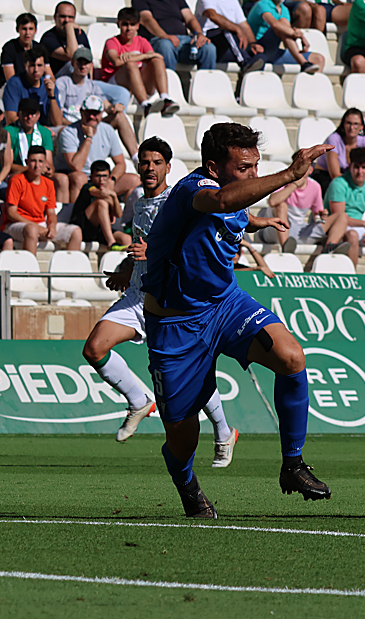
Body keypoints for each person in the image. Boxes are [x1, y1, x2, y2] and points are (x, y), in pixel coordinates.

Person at [140, 123, 332, 517]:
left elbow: (235, 210)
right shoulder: (192, 192)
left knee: (292, 357)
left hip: (225, 305)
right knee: (183, 437)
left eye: (256, 165)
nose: (253, 175)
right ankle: (187, 484)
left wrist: (262, 219)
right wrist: (290, 175)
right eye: (244, 167)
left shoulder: (237, 195)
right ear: (213, 167)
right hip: (177, 325)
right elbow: (224, 202)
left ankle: (293, 465)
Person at [82, 136, 239, 465]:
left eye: (156, 162)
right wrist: (128, 267)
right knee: (94, 347)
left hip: (170, 300)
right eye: (144, 162)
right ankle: (138, 400)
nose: (149, 168)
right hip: (138, 295)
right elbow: (141, 245)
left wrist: (151, 253)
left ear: (168, 167)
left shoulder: (179, 200)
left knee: (192, 374)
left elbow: (191, 249)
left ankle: (224, 431)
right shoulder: (138, 201)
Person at [132, 0, 216, 72]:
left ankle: (205, 84)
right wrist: (165, 36)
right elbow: (147, 20)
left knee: (209, 48)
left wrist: (199, 34)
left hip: (184, 41)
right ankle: (168, 84)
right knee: (165, 45)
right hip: (157, 40)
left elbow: (189, 18)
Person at [54, 47, 137, 157]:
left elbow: (106, 106)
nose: (83, 66)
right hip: (70, 126)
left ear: (91, 65)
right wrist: (79, 126)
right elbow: (58, 117)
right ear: (73, 63)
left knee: (120, 117)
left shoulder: (93, 86)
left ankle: (136, 158)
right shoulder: (63, 83)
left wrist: (116, 107)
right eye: (80, 62)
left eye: (86, 63)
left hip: (90, 123)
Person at [58, 94, 138, 202]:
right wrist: (88, 138)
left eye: (95, 113)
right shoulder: (68, 132)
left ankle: (128, 216)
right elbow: (76, 166)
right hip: (81, 176)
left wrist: (112, 180)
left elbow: (120, 163)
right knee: (79, 177)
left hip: (100, 177)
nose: (92, 116)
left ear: (101, 114)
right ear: (81, 112)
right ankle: (75, 216)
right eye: (88, 113)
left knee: (134, 180)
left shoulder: (107, 130)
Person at [99, 7, 177, 116]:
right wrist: (140, 56)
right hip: (116, 84)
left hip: (138, 81)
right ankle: (145, 104)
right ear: (118, 24)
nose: (129, 28)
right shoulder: (112, 42)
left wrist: (133, 56)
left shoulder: (142, 41)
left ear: (137, 26)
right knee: (130, 65)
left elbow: (155, 57)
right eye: (125, 24)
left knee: (156, 61)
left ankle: (165, 99)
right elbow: (116, 62)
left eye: (132, 24)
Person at [3, 144, 82, 251]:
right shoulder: (16, 180)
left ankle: (70, 267)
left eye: (40, 161)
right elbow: (11, 213)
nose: (37, 165)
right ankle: (30, 267)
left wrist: (52, 227)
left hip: (40, 223)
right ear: (26, 162)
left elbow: (51, 212)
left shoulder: (48, 183)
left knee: (75, 232)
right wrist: (35, 226)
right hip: (17, 225)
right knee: (32, 230)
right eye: (33, 161)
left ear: (45, 164)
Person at [246, 0, 322, 72]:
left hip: (272, 51)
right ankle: (303, 63)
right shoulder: (262, 4)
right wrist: (300, 36)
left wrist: (295, 33)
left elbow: (286, 36)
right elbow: (274, 24)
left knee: (318, 59)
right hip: (256, 50)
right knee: (281, 25)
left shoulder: (284, 10)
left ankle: (310, 84)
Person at [194, 0, 265, 71]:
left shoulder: (233, 0)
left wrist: (252, 43)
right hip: (209, 41)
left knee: (260, 57)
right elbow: (212, 15)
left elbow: (243, 24)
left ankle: (244, 79)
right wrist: (237, 29)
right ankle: (244, 62)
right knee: (227, 31)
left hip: (229, 44)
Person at [5, 98, 68, 199]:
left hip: (38, 171)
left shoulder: (45, 132)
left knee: (62, 179)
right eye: (26, 114)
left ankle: (62, 213)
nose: (29, 117)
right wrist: (32, 169)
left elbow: (48, 162)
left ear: (38, 115)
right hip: (19, 172)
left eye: (33, 114)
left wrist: (49, 169)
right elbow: (8, 165)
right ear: (19, 114)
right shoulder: (9, 132)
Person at [265, 155, 330, 251]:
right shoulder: (284, 180)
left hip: (298, 230)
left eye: (303, 167)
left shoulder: (315, 186)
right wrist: (294, 185)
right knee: (281, 205)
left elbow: (317, 215)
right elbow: (272, 201)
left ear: (310, 170)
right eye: (297, 166)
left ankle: (330, 247)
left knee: (341, 217)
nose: (300, 170)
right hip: (275, 230)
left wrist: (322, 215)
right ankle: (285, 247)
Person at [71, 160, 131, 249]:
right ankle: (111, 242)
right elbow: (97, 192)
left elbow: (118, 214)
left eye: (104, 176)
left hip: (100, 231)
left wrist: (114, 197)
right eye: (98, 176)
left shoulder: (110, 193)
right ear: (91, 177)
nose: (101, 180)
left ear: (109, 178)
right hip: (83, 229)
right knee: (101, 203)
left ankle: (126, 262)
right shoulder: (88, 187)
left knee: (126, 239)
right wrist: (111, 194)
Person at [312, 108, 365, 192]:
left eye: (356, 124)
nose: (352, 127)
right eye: (349, 123)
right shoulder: (333, 139)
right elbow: (335, 175)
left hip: (354, 176)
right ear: (343, 124)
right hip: (326, 176)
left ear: (361, 126)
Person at [2, 44, 62, 128]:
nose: (36, 70)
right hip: (20, 129)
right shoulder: (14, 83)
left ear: (45, 67)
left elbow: (58, 122)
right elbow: (11, 119)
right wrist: (40, 131)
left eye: (39, 65)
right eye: (32, 65)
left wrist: (51, 96)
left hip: (45, 130)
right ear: (25, 66)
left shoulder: (50, 86)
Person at [0, 13, 39, 87]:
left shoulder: (39, 48)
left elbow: (48, 75)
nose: (27, 33)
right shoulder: (9, 48)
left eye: (31, 29)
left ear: (35, 30)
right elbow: (11, 80)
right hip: (10, 88)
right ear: (18, 29)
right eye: (24, 29)